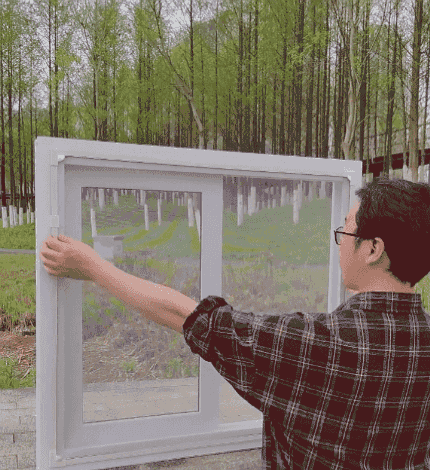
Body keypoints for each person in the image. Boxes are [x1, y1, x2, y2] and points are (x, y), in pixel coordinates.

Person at [40, 175, 430, 469]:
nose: (340, 243)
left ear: (373, 249)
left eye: (345, 231)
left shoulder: (317, 345)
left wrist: (93, 267)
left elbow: (187, 316)